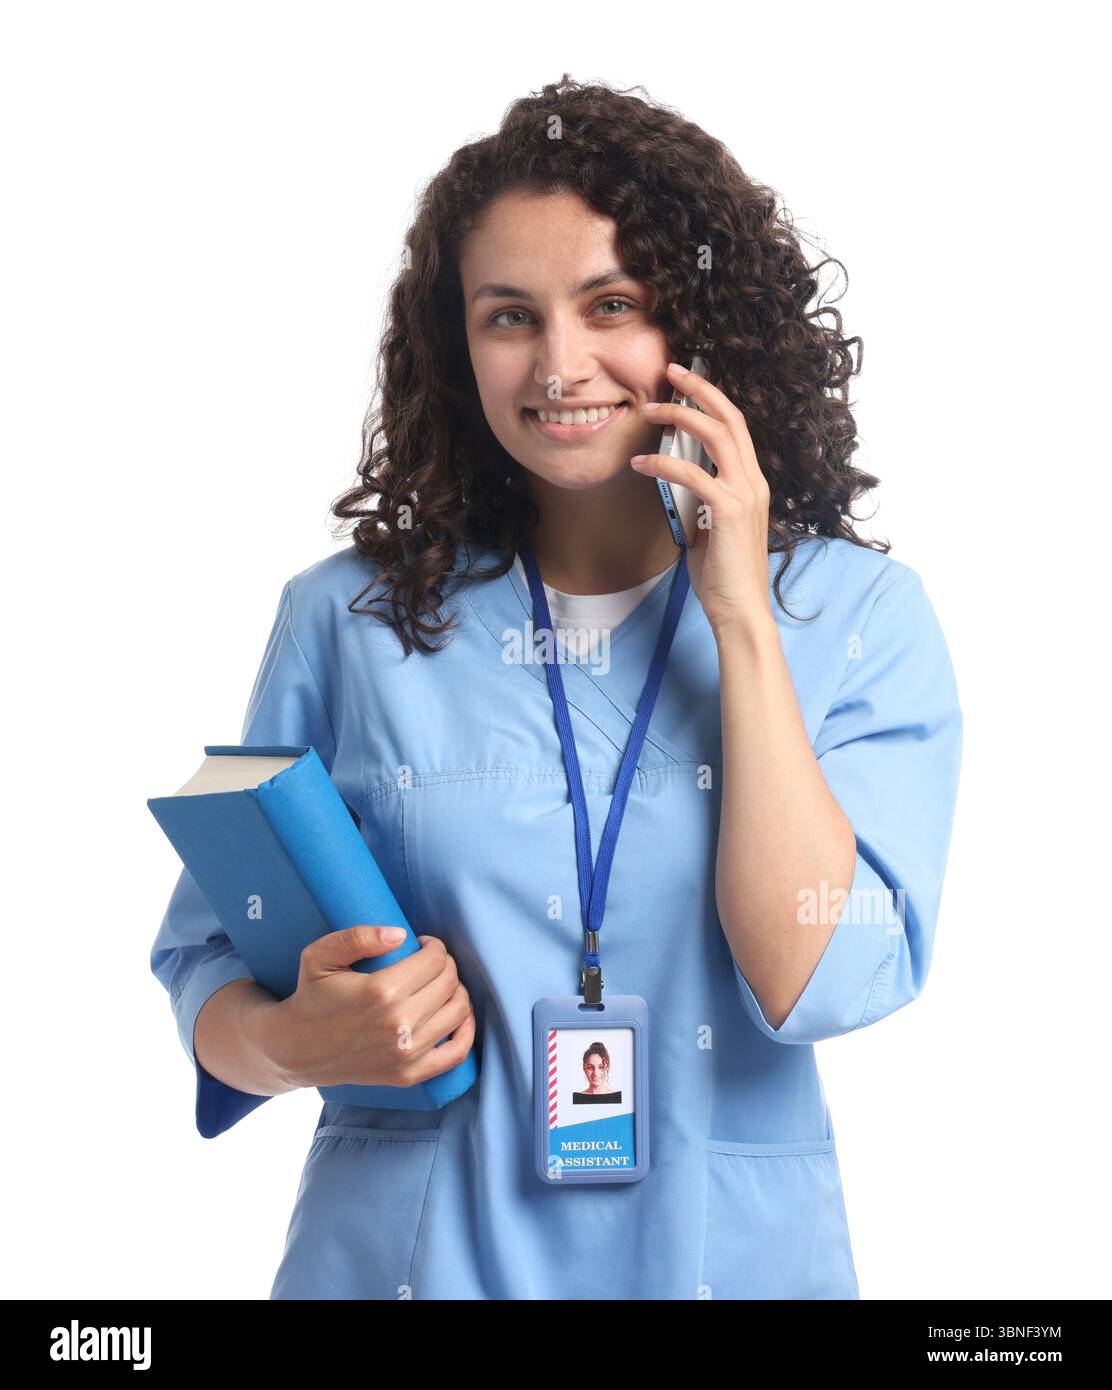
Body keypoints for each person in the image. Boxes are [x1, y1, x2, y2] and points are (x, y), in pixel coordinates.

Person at [150, 74, 962, 1300]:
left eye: (613, 304)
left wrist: (738, 618)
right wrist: (283, 1039)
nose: (561, 364)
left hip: (719, 1266)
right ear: (453, 341)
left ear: (701, 322)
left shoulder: (851, 621)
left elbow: (811, 975)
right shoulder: (349, 619)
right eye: (508, 316)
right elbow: (209, 956)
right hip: (407, 1266)